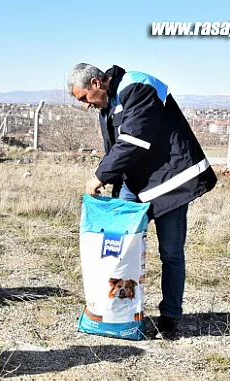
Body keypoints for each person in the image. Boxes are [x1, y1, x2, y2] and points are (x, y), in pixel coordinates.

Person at [67, 63, 217, 340]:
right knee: (117, 248)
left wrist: (98, 177)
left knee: (171, 252)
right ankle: (118, 311)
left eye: (84, 98)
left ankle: (170, 318)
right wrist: (113, 185)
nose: (85, 105)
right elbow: (115, 149)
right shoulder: (107, 105)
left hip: (171, 183)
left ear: (97, 85)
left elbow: (134, 141)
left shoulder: (138, 87)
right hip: (134, 183)